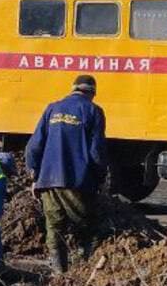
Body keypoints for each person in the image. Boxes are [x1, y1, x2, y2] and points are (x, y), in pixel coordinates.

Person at [25, 74, 108, 274]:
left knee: (54, 228)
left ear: (73, 89)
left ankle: (59, 273)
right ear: (92, 93)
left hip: (48, 181)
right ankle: (83, 272)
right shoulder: (93, 111)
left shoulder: (52, 108)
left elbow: (33, 146)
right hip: (76, 181)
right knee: (87, 228)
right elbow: (96, 151)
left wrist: (34, 176)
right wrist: (100, 178)